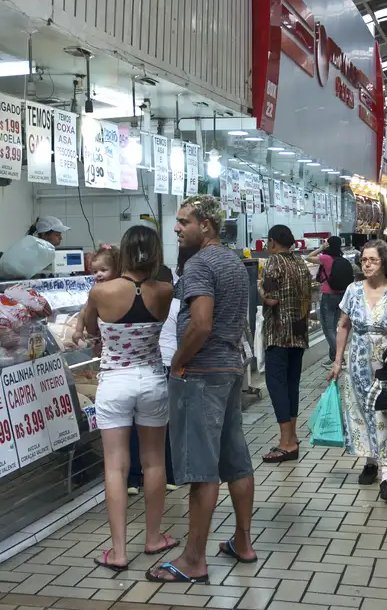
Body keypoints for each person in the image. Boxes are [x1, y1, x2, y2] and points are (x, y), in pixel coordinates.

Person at [150, 195, 256, 583]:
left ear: (205, 225)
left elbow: (202, 322)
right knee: (236, 460)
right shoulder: (232, 262)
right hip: (229, 369)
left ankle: (193, 560)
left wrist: (179, 361)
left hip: (201, 373)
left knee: (201, 469)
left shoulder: (199, 264)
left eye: (183, 222)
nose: (177, 228)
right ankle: (242, 542)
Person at [78, 226, 176, 572]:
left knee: (115, 466)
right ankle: (153, 538)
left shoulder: (101, 291)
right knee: (153, 462)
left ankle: (118, 552)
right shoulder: (165, 291)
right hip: (151, 378)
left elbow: (90, 330)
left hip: (114, 381)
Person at [329, 240, 387, 502]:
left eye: (372, 260)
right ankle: (370, 461)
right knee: (361, 412)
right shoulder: (353, 291)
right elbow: (343, 326)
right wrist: (338, 360)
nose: (366, 264)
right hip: (358, 363)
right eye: (364, 260)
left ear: (384, 262)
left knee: (386, 413)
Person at [258, 224, 311, 463]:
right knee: (292, 385)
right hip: (299, 333)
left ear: (272, 242)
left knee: (276, 385)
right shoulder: (300, 262)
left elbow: (271, 299)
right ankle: (293, 436)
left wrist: (259, 287)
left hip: (278, 334)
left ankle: (286, 443)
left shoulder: (274, 262)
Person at [128, 265, 180, 495]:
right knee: (165, 424)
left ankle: (132, 479)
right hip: (168, 365)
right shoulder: (177, 305)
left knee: (134, 425)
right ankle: (170, 474)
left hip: (140, 366)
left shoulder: (141, 303)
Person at [307, 236, 349, 368]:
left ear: (329, 245)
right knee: (334, 328)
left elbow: (308, 257)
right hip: (341, 296)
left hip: (328, 296)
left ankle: (339, 358)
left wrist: (320, 248)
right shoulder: (341, 259)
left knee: (328, 328)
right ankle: (333, 358)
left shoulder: (326, 258)